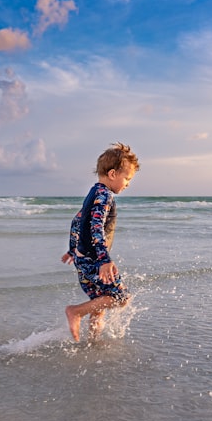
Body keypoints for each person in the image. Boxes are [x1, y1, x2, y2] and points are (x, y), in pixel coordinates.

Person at [62, 142, 140, 342]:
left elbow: (77, 221)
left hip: (84, 258)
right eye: (127, 178)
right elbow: (95, 227)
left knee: (99, 302)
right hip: (94, 259)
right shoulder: (104, 195)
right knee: (121, 297)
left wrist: (73, 250)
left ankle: (93, 342)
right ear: (113, 174)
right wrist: (104, 259)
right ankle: (76, 312)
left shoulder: (94, 193)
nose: (128, 184)